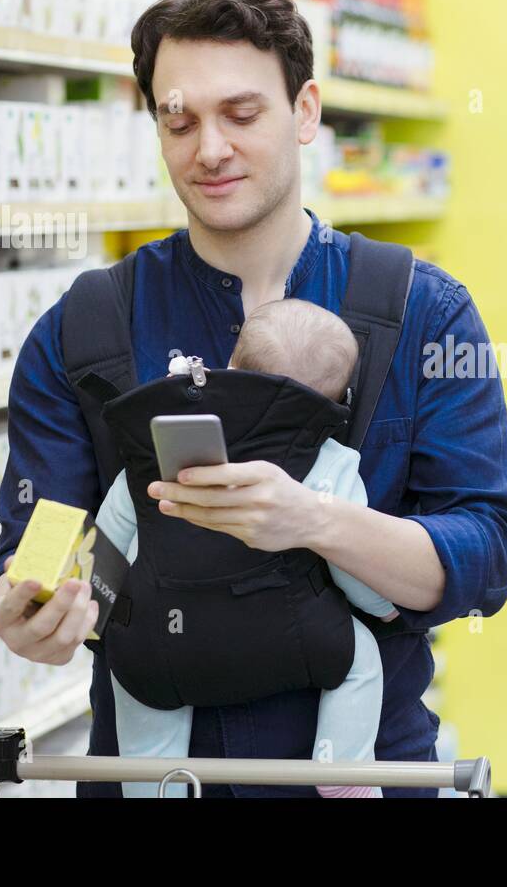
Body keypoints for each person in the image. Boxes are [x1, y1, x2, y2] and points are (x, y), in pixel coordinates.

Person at [0, 0, 507, 798]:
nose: (210, 149)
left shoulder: (423, 313)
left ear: (305, 112)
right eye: (179, 121)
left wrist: (316, 521)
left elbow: (487, 553)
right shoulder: (84, 328)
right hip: (149, 772)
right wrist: (30, 615)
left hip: (362, 775)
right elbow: (40, 535)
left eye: (242, 114)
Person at [97, 300, 396, 798]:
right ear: (338, 397)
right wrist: (381, 605)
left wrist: (85, 616)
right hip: (290, 634)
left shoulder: (155, 454)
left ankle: (152, 791)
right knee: (360, 657)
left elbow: (107, 544)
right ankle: (343, 770)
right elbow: (349, 563)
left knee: (142, 707)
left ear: (226, 369)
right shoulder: (330, 461)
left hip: (160, 641)